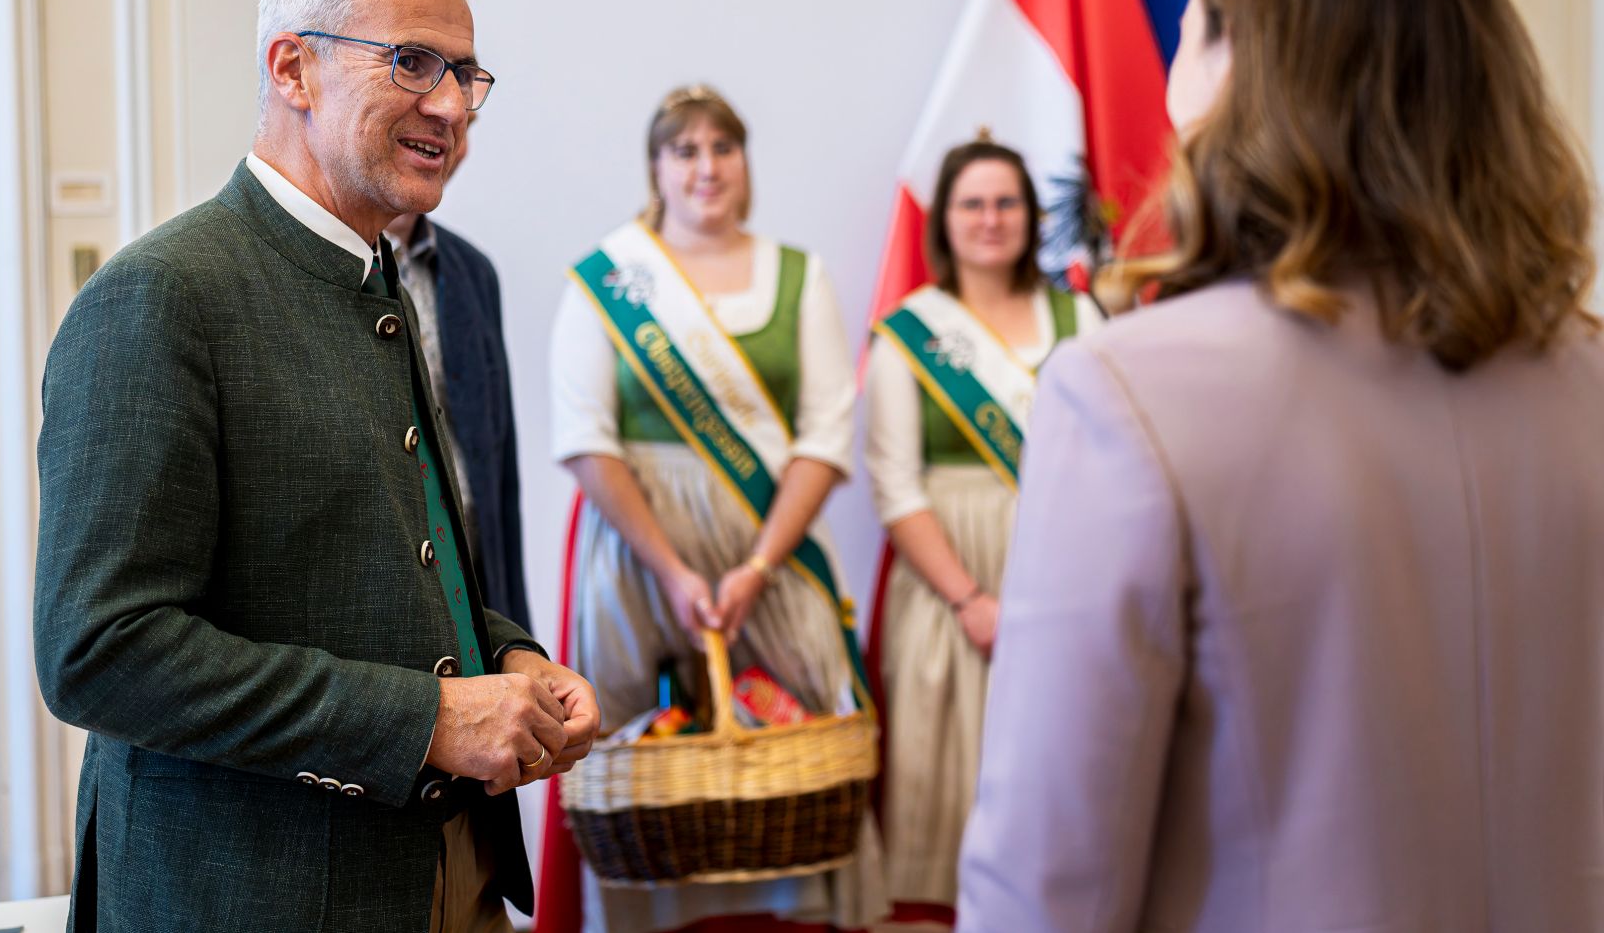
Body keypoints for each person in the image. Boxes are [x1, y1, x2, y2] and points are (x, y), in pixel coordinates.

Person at [957, 0, 1604, 932]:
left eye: (1187, 26)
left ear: (1232, 70)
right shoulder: (1586, 386)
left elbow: (1044, 884)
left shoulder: (1121, 396)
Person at [33, 0, 598, 933]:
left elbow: (389, 554)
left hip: (449, 868)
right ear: (293, 68)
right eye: (413, 62)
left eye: (466, 74)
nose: (450, 106)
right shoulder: (161, 295)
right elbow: (100, 651)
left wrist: (509, 658)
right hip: (255, 891)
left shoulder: (374, 274)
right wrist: (425, 721)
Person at [547, 84, 888, 930]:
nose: (706, 166)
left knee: (803, 734)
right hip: (636, 557)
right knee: (632, 748)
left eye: (722, 147)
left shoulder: (800, 276)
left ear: (745, 161)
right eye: (685, 149)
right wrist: (670, 568)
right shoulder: (611, 278)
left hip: (770, 552)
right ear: (657, 167)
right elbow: (588, 437)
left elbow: (823, 435)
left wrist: (761, 565)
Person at [863, 139, 1100, 926]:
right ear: (946, 220)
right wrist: (972, 599)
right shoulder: (911, 333)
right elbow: (896, 487)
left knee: (1068, 782)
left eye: (1007, 202)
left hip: (1069, 585)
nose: (991, 219)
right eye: (973, 203)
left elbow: (1114, 462)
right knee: (948, 788)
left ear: (1032, 216)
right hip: (950, 598)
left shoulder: (1083, 314)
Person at [386, 112, 534, 628]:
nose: (449, 141)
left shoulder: (473, 272)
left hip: (472, 583)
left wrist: (517, 634)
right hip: (381, 602)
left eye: (466, 124)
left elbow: (499, 468)